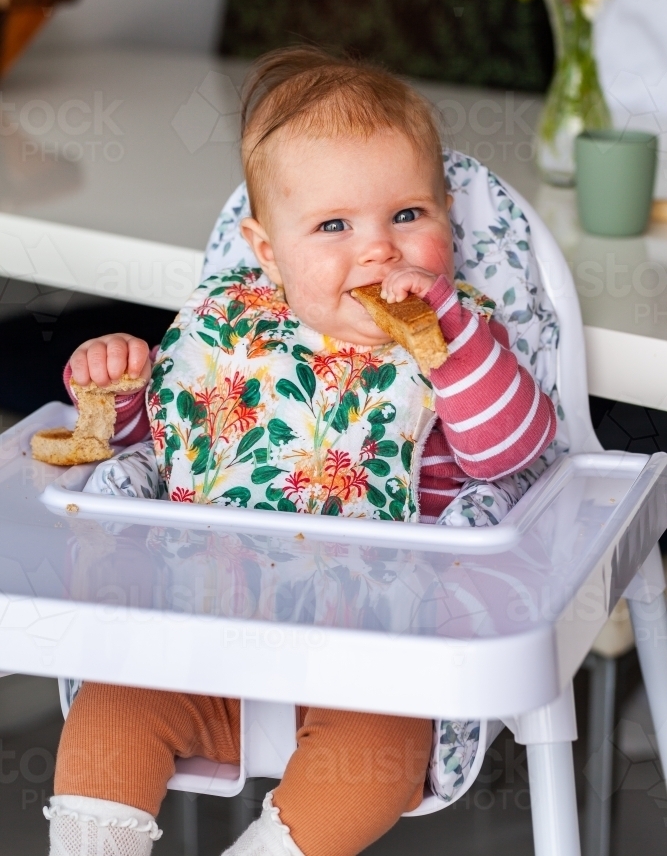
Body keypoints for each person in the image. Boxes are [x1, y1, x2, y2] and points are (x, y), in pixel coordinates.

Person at [46, 48, 556, 856]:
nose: (378, 251)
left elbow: (513, 454)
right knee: (114, 707)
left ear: (446, 218)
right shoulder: (225, 330)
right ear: (268, 250)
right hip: (200, 642)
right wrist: (120, 392)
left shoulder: (462, 337)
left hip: (374, 663)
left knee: (378, 757)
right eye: (332, 226)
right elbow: (160, 458)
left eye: (408, 215)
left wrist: (451, 346)